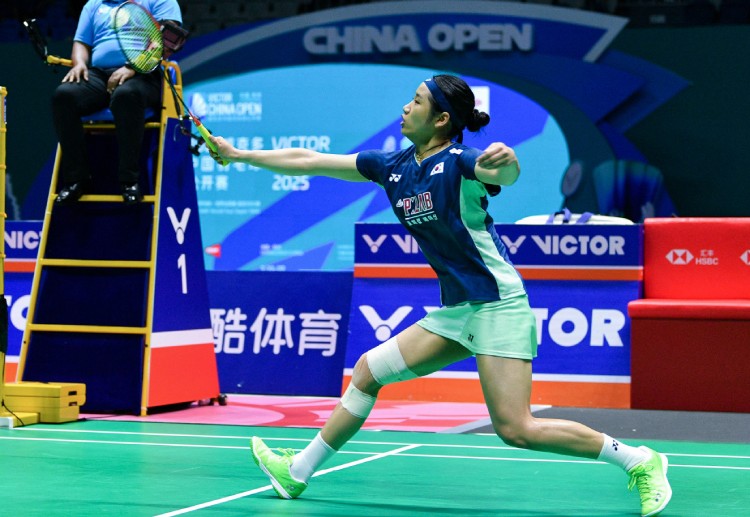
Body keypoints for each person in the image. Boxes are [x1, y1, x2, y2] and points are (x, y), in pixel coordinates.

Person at [208, 74, 672, 517]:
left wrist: (508, 160)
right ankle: (296, 472)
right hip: (458, 310)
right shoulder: (393, 167)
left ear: (442, 119)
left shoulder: (461, 163)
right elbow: (310, 160)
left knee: (516, 429)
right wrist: (238, 154)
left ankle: (638, 460)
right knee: (367, 372)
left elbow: (503, 173)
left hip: (497, 304)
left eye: (416, 102)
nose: (405, 108)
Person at [51, 0, 182, 205]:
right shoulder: (93, 5)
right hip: (100, 75)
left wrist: (132, 67)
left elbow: (167, 39)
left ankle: (129, 181)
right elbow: (81, 42)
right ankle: (77, 179)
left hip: (144, 73)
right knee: (64, 96)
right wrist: (79, 64)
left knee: (125, 95)